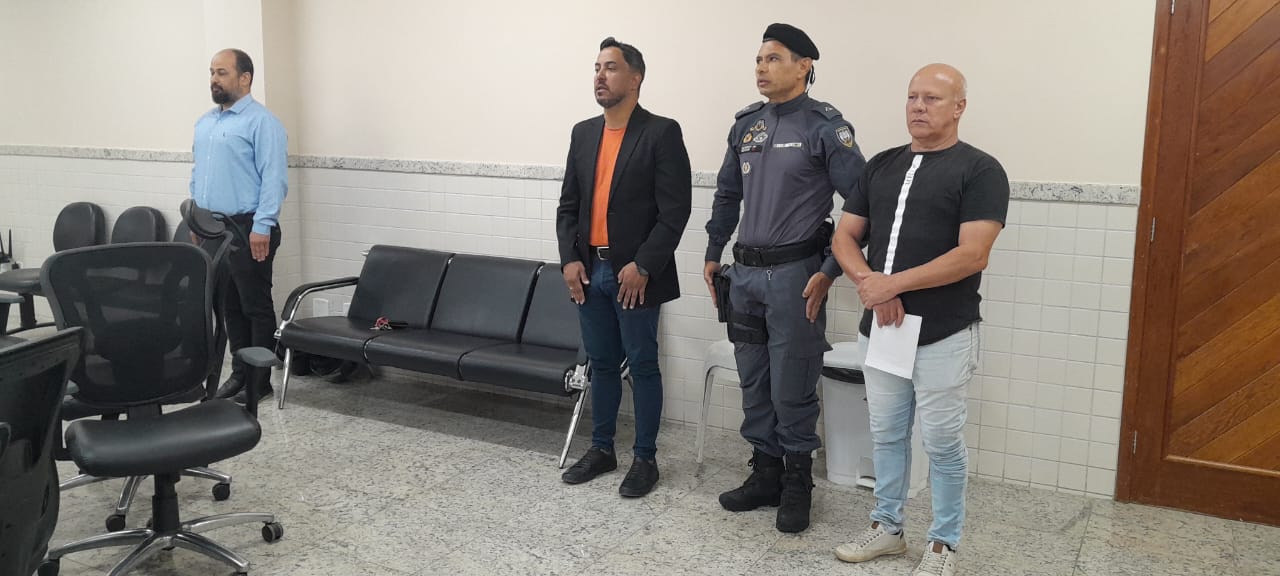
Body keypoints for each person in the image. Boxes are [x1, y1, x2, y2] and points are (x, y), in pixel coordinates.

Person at [830, 64, 1008, 576]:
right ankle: (887, 527)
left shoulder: (980, 170)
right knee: (886, 433)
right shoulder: (881, 165)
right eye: (912, 97)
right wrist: (871, 283)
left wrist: (893, 284)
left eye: (932, 98)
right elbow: (845, 237)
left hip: (943, 333)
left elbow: (972, 254)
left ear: (959, 107)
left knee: (942, 443)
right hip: (885, 329)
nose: (918, 107)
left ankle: (943, 543)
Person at [705, 23, 865, 533]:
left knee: (791, 383)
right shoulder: (746, 125)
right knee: (754, 380)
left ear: (803, 66)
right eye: (758, 59)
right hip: (745, 277)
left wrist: (830, 270)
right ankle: (766, 473)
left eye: (773, 59)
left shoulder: (825, 127)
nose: (761, 68)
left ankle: (798, 482)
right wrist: (713, 251)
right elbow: (727, 194)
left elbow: (863, 206)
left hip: (796, 277)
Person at [556, 37, 692, 498]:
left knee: (643, 364)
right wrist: (569, 259)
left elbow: (675, 212)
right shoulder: (583, 133)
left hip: (634, 275)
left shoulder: (661, 132)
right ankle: (602, 449)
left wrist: (644, 266)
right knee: (600, 364)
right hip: (588, 271)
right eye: (596, 67)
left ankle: (645, 458)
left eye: (611, 67)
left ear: (635, 78)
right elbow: (568, 206)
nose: (600, 75)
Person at [191, 49, 288, 404]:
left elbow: (274, 179)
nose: (214, 80)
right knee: (229, 306)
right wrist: (198, 219)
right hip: (214, 229)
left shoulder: (262, 123)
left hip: (249, 227)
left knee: (254, 306)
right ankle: (239, 374)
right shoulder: (206, 123)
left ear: (245, 78)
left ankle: (259, 382)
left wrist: (263, 225)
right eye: (211, 73)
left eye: (222, 72)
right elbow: (198, 173)